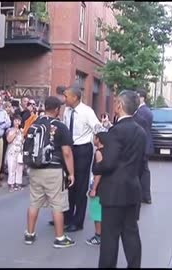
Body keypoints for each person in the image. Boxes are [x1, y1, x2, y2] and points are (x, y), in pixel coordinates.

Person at [92, 90, 146, 268]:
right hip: (132, 189)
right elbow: (140, 164)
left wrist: (97, 160)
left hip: (114, 191)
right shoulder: (140, 131)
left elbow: (108, 164)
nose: (114, 105)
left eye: (116, 102)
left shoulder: (116, 131)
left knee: (110, 238)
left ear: (120, 106)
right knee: (131, 234)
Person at [24, 96, 76, 248]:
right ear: (57, 109)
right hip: (54, 170)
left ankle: (29, 234)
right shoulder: (61, 127)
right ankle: (60, 238)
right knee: (57, 204)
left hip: (35, 168)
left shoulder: (35, 123)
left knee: (34, 202)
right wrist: (71, 173)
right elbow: (67, 152)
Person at [61, 83, 101, 232]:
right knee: (68, 184)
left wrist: (100, 145)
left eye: (66, 96)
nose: (64, 99)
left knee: (80, 186)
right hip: (69, 149)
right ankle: (67, 217)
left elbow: (97, 127)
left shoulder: (87, 111)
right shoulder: (66, 111)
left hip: (83, 150)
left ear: (75, 97)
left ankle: (78, 222)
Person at [85, 132, 110, 246]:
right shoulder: (109, 151)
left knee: (96, 212)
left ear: (98, 140)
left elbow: (98, 172)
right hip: (106, 185)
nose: (93, 139)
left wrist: (94, 188)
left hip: (99, 186)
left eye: (94, 138)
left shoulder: (99, 153)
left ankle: (98, 235)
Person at [133, 89, 154, 204]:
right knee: (144, 170)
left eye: (137, 96)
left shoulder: (142, 112)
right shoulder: (145, 110)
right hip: (145, 145)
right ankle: (145, 195)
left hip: (142, 145)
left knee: (142, 171)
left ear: (142, 98)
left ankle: (144, 195)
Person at [5, 114, 25, 192]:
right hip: (12, 151)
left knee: (19, 168)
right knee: (11, 167)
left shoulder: (21, 131)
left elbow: (22, 141)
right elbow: (9, 140)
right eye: (15, 120)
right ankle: (11, 184)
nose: (17, 122)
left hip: (19, 150)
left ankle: (18, 183)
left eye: (18, 121)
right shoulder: (10, 130)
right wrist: (15, 133)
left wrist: (22, 134)